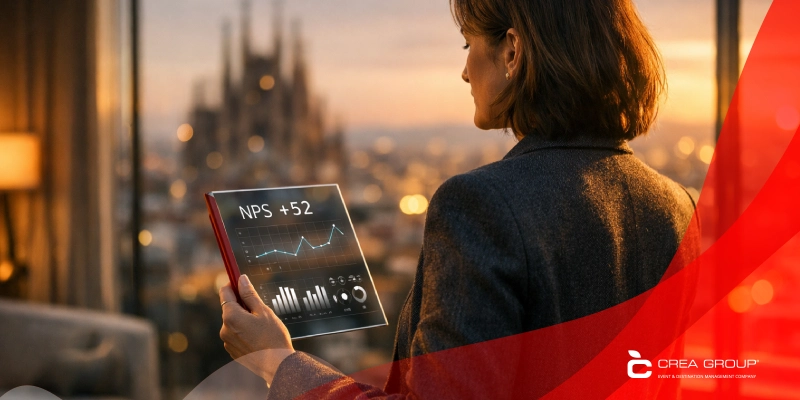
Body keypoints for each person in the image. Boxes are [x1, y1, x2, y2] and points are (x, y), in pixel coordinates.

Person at [218, 0, 700, 398]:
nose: (464, 71)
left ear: (512, 52)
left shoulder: (481, 206)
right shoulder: (678, 207)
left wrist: (280, 363)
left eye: (469, 44)